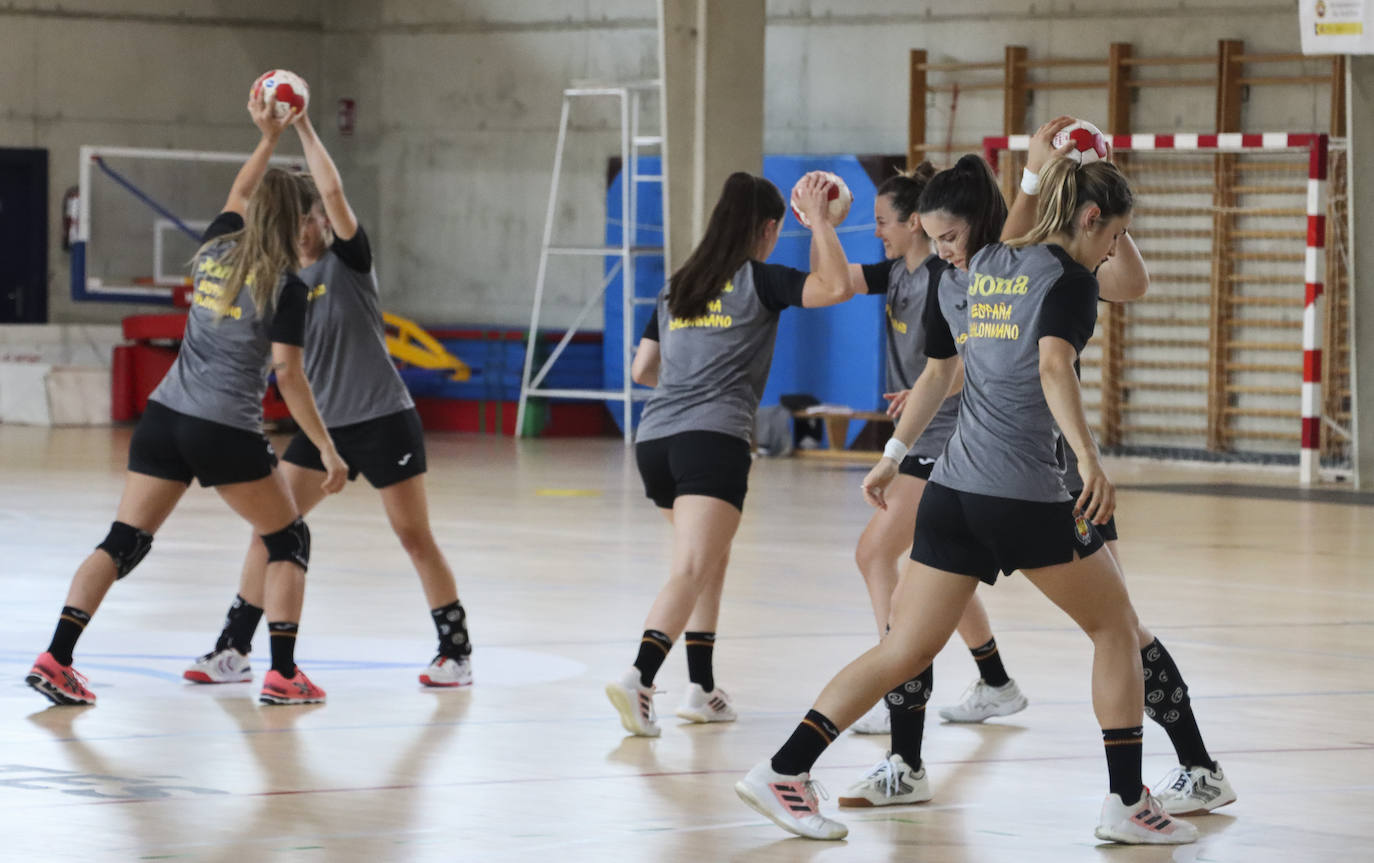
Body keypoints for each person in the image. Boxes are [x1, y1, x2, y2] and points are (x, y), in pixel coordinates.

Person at [736, 153, 1198, 845]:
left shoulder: (964, 279)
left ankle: (785, 768)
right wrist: (1088, 456)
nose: (1110, 253)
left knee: (902, 648)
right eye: (1112, 234)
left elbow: (992, 257)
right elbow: (1052, 361)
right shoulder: (1065, 278)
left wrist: (1037, 174)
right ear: (1094, 221)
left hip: (952, 492)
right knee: (1115, 627)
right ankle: (1128, 799)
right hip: (1025, 494)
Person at [26, 96, 345, 708]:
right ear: (300, 220)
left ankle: (56, 657)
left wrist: (267, 137)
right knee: (288, 542)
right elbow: (288, 374)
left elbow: (239, 189)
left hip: (164, 416)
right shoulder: (288, 285)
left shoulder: (219, 245)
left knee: (124, 539)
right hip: (223, 425)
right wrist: (326, 448)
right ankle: (282, 673)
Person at [181, 110, 474, 689]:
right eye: (297, 220)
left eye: (311, 218)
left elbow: (332, 189)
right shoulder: (275, 279)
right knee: (272, 530)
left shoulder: (349, 262)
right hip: (322, 431)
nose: (305, 228)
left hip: (384, 419)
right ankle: (234, 648)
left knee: (413, 535)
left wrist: (305, 126)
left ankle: (456, 651)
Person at [604, 171, 855, 736]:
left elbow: (642, 370)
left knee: (707, 562)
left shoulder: (679, 285)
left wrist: (691, 378)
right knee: (693, 567)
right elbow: (836, 286)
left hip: (656, 443)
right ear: (768, 229)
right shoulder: (759, 281)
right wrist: (819, 222)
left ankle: (702, 688)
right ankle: (640, 679)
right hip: (712, 441)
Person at [834, 162, 1025, 809]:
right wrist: (819, 224)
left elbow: (994, 363)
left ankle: (911, 695)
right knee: (933, 569)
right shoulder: (922, 276)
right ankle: (970, 696)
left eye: (885, 221)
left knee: (886, 558)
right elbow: (941, 366)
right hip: (945, 448)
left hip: (991, 457)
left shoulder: (1008, 271)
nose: (883, 232)